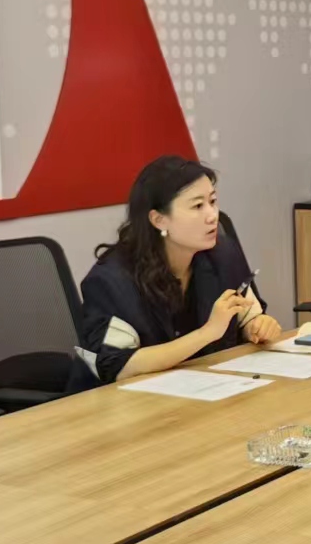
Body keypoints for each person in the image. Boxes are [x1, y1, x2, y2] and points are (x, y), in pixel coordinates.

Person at [71, 155, 282, 389]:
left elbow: (249, 316)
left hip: (202, 389)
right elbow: (119, 366)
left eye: (212, 201)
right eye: (198, 206)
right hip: (119, 402)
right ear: (159, 220)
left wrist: (258, 325)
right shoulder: (111, 280)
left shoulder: (223, 255)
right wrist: (208, 332)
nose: (213, 215)